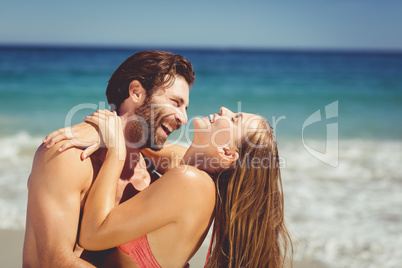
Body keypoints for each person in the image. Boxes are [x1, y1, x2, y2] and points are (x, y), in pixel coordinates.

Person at [50, 107, 293, 267]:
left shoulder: (191, 182)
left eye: (233, 119)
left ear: (226, 152)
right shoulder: (184, 167)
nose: (223, 110)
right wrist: (98, 131)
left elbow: (92, 235)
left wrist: (115, 152)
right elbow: (138, 139)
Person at [23, 50, 195, 267]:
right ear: (136, 92)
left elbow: (197, 161)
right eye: (175, 102)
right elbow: (55, 262)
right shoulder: (68, 156)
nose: (184, 119)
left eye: (185, 107)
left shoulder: (149, 177)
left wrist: (117, 141)